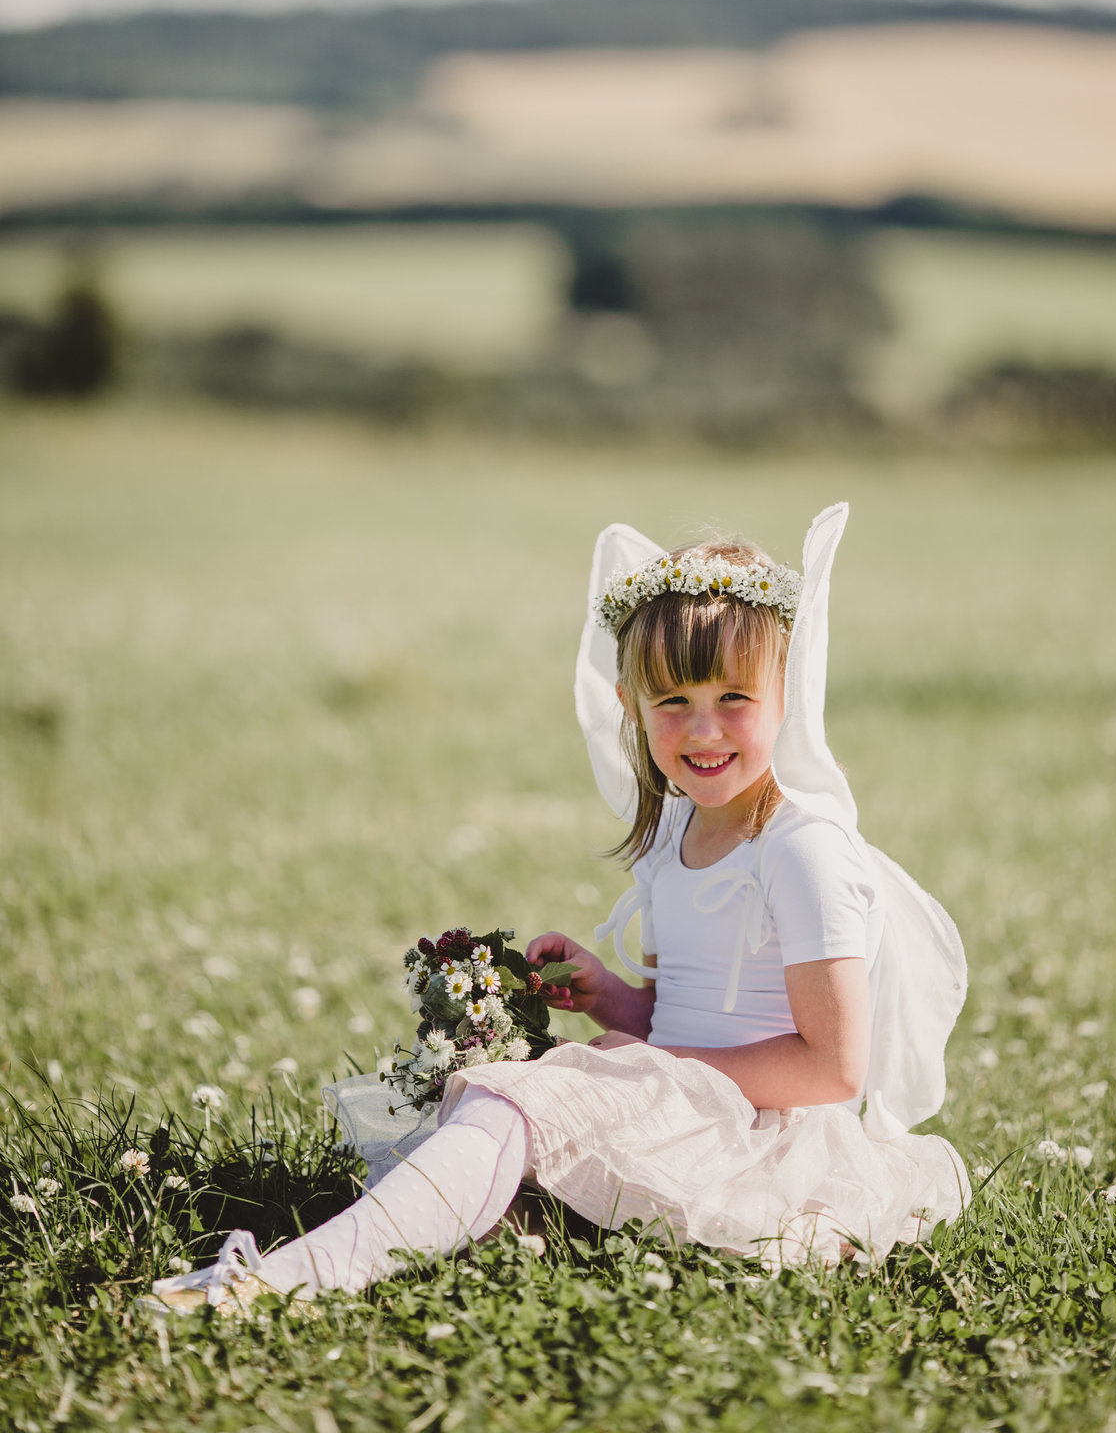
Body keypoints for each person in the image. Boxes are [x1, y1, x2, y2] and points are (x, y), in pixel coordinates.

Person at [149, 503, 969, 1314]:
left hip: (763, 1137)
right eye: (674, 701)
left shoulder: (800, 848)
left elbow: (831, 1069)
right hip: (691, 1103)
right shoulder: (679, 833)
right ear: (631, 704)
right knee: (494, 1139)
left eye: (734, 698)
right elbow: (696, 1018)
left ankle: (279, 1282)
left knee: (513, 1103)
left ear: (786, 692)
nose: (704, 728)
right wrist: (615, 1003)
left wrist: (651, 1071)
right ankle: (410, 1244)